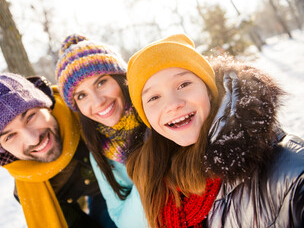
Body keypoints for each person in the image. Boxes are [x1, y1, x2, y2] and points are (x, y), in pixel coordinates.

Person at [126, 33, 304, 227]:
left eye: (184, 84)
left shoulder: (289, 172)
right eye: (153, 98)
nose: (173, 104)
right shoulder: (155, 179)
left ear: (209, 90)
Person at [0, 73, 116, 228]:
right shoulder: (30, 191)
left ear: (46, 106)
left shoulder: (89, 111)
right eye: (10, 136)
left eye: (30, 117)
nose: (33, 139)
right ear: (3, 149)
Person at [56, 34, 147, 228]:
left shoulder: (157, 115)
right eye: (82, 95)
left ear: (120, 77)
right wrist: (148, 178)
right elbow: (123, 221)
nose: (97, 102)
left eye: (101, 82)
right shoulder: (100, 152)